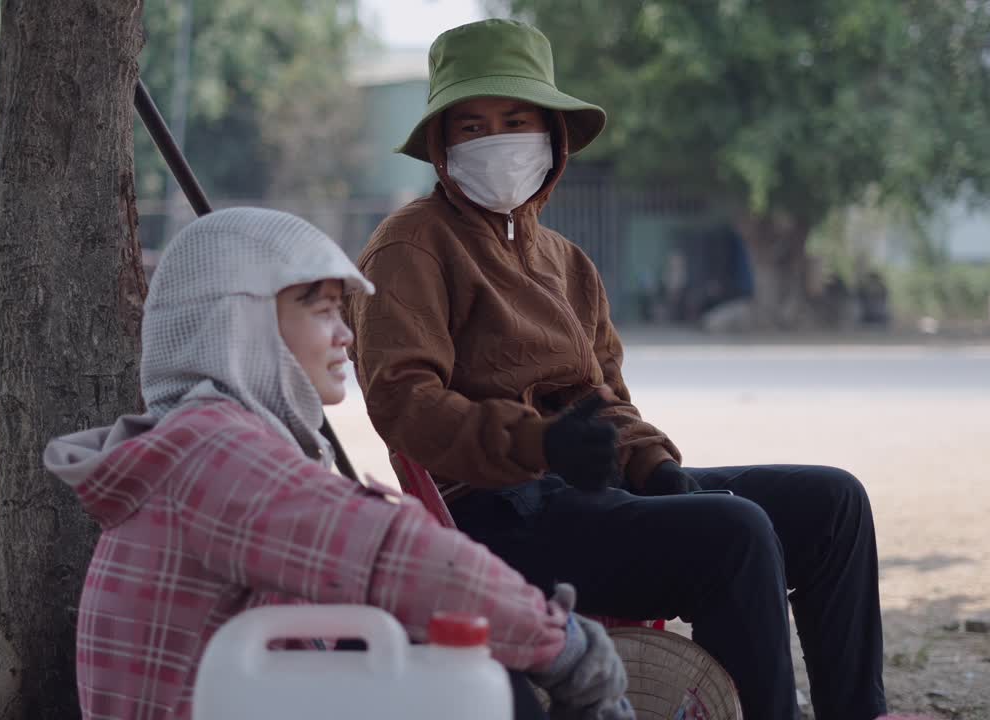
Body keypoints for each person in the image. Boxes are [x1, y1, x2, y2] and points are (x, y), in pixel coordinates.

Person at [345, 20, 887, 720]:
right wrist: (538, 443)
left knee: (833, 504)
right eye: (472, 127)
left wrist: (654, 466)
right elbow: (404, 404)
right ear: (444, 148)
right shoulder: (410, 244)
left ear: (552, 139)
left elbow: (607, 402)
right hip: (491, 520)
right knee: (736, 535)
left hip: (587, 498)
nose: (496, 140)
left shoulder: (568, 263)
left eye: (515, 120)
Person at [42, 207, 635, 720]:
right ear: (240, 324)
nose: (345, 336)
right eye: (322, 310)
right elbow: (399, 555)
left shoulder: (197, 446)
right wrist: (564, 646)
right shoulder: (212, 452)